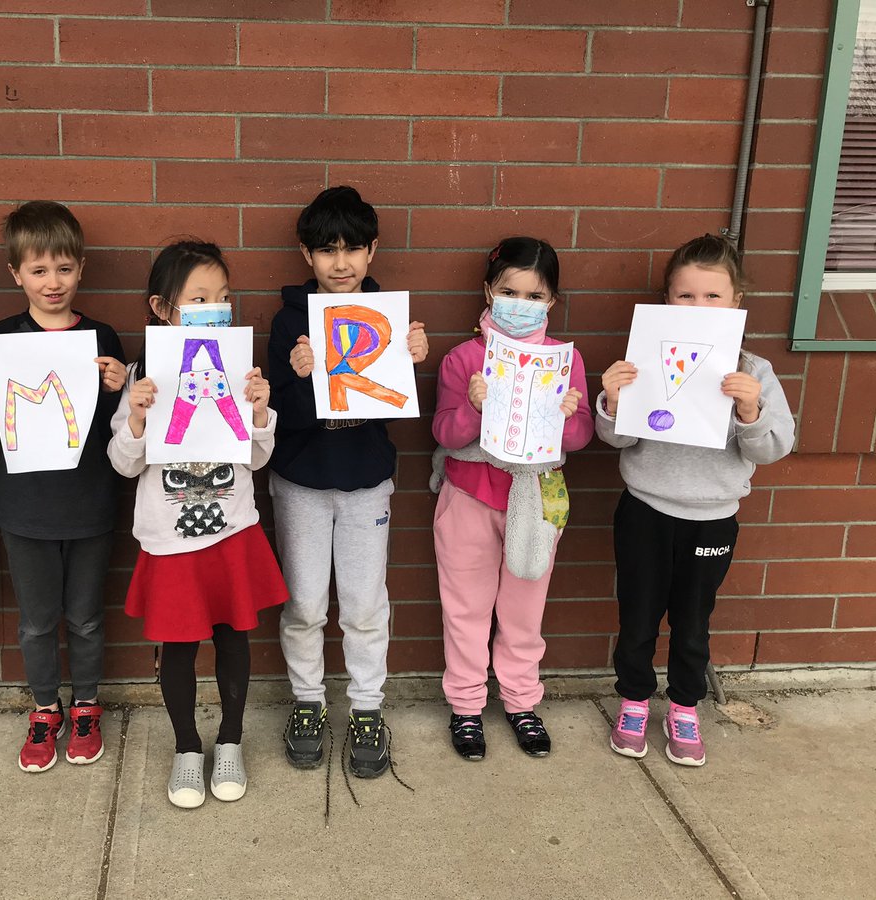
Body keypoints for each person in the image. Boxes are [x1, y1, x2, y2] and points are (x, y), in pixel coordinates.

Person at [599, 234, 795, 767]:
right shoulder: (645, 359)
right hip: (644, 510)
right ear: (667, 300)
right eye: (686, 296)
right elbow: (617, 438)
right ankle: (634, 701)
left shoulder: (752, 372)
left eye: (713, 297)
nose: (699, 307)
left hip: (712, 520)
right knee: (637, 616)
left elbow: (777, 447)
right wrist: (613, 401)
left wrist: (750, 413)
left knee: (693, 621)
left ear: (737, 303)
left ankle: (685, 707)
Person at [108, 240, 286, 809]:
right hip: (169, 539)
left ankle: (229, 740)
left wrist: (259, 409)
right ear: (164, 309)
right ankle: (187, 746)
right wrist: (135, 416)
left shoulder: (241, 368)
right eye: (199, 298)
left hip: (232, 528)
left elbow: (257, 458)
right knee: (179, 645)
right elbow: (123, 463)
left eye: (224, 298)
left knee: (235, 637)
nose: (216, 307)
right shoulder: (143, 374)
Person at [0, 201, 126, 773]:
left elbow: (118, 433)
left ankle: (84, 707)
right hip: (25, 509)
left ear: (81, 269)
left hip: (90, 504)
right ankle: (44, 709)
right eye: (38, 270)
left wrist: (114, 389)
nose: (52, 283)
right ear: (16, 273)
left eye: (64, 269)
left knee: (85, 616)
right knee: (35, 621)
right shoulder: (0, 340)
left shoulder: (102, 336)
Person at [267, 186, 429, 778]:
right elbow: (274, 416)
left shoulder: (386, 320)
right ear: (306, 255)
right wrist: (302, 377)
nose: (341, 263)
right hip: (302, 483)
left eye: (353, 249)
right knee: (305, 602)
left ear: (372, 251)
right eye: (327, 250)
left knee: (364, 603)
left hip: (366, 483)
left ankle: (366, 708)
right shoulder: (290, 323)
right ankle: (308, 702)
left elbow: (392, 405)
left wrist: (411, 362)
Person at [430, 236, 593, 761]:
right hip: (469, 496)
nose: (520, 305)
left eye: (534, 296)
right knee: (466, 610)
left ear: (551, 302)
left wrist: (568, 418)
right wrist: (475, 408)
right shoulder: (465, 359)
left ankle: (522, 701)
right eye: (509, 291)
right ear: (488, 291)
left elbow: (579, 439)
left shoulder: (564, 361)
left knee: (525, 610)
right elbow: (445, 433)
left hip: (536, 500)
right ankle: (467, 706)